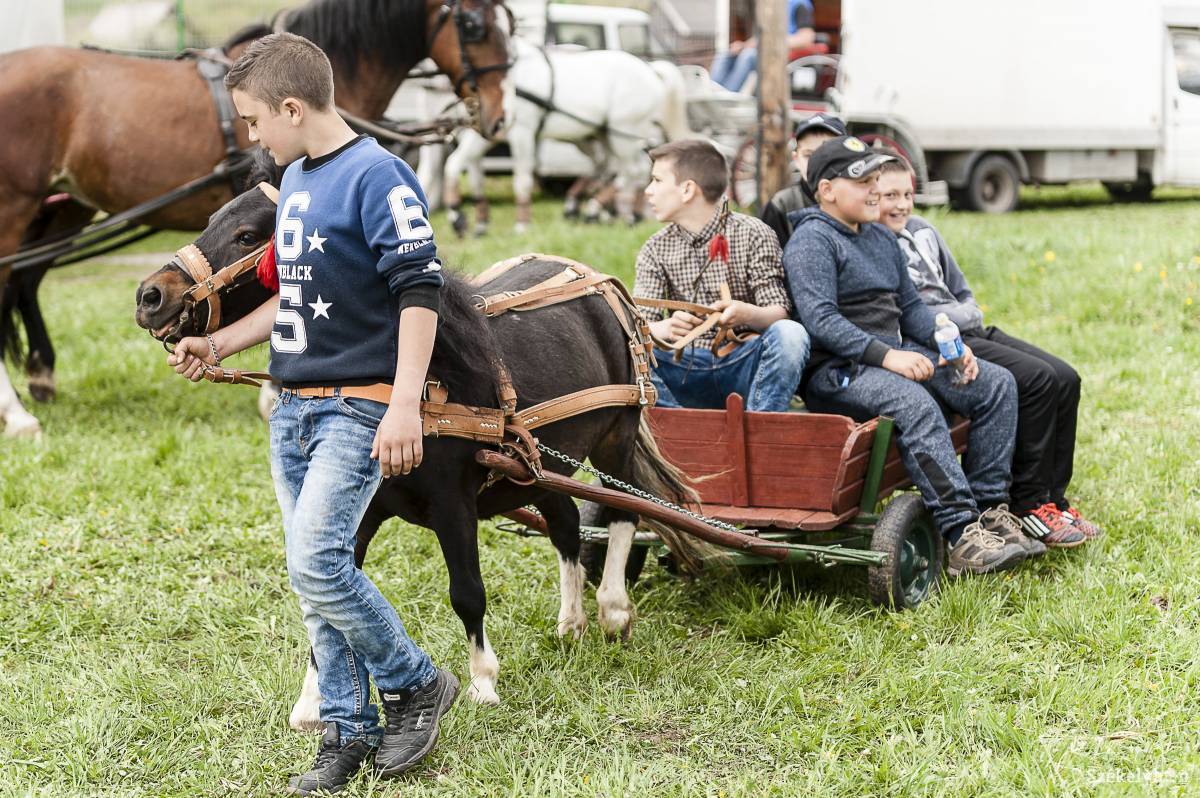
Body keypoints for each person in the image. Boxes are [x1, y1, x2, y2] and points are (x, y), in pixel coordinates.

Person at [166, 33, 458, 795]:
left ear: (293, 107)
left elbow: (420, 293)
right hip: (293, 407)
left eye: (255, 120)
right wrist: (221, 342)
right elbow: (293, 296)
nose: (252, 136)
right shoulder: (293, 178)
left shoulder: (379, 176)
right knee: (314, 578)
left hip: (357, 407)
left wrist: (404, 404)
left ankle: (416, 682)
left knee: (318, 560)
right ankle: (347, 728)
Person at [784, 136, 1036, 576]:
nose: (876, 191)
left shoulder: (880, 236)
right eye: (862, 181)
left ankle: (991, 511)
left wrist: (949, 347)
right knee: (914, 404)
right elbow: (821, 320)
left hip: (892, 356)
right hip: (839, 371)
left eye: (877, 179)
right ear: (827, 189)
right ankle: (960, 534)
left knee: (996, 385)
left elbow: (912, 309)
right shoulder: (812, 241)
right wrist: (889, 357)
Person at [875, 154, 1096, 545]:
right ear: (871, 196)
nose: (901, 204)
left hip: (973, 326)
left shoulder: (924, 230)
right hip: (940, 338)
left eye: (907, 194)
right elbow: (909, 313)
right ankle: (1026, 503)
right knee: (1037, 380)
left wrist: (964, 312)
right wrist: (953, 320)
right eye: (890, 195)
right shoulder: (875, 244)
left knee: (1066, 377)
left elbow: (961, 290)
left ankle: (1053, 499)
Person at [636, 139, 810, 412]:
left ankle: (760, 427)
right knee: (626, 349)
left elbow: (779, 313)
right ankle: (679, 433)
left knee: (791, 334)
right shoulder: (655, 248)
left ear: (687, 190)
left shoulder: (754, 232)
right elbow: (642, 326)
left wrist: (746, 314)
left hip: (741, 363)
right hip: (683, 367)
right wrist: (665, 328)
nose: (648, 191)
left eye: (657, 181)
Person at [760, 113, 846, 248]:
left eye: (829, 154)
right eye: (809, 155)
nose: (818, 162)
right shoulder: (782, 205)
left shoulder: (856, 198)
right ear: (796, 159)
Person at [710, 0, 817, 92]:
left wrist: (770, 43)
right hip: (763, 50)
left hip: (782, 56)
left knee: (748, 55)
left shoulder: (799, 4)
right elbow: (760, 37)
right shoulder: (770, 7)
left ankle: (728, 96)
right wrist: (743, 45)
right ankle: (712, 94)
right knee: (726, 54)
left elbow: (806, 38)